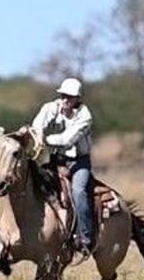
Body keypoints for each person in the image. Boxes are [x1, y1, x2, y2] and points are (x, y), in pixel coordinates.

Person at [28, 77, 94, 258]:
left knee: (79, 191)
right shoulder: (52, 107)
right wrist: (37, 133)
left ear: (77, 99)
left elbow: (67, 139)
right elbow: (38, 124)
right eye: (63, 95)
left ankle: (85, 236)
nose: (65, 100)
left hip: (79, 163)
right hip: (56, 160)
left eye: (70, 97)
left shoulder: (85, 116)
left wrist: (44, 140)